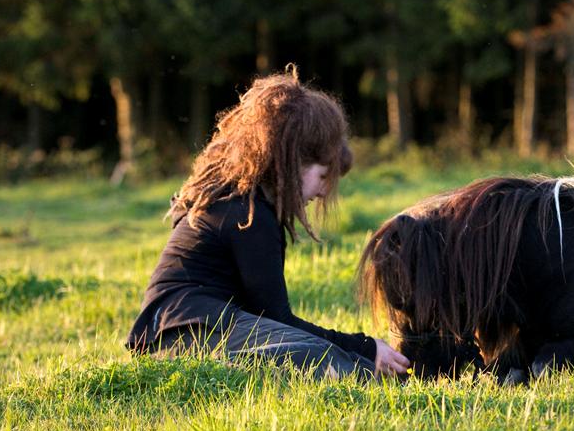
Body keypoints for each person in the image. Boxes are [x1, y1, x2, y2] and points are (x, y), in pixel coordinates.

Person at [126, 68, 410, 379]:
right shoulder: (246, 215)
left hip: (179, 332)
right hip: (190, 333)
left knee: (321, 354)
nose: (324, 191)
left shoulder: (242, 204)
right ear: (290, 162)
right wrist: (367, 348)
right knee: (319, 358)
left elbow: (269, 320)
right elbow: (277, 318)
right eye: (323, 176)